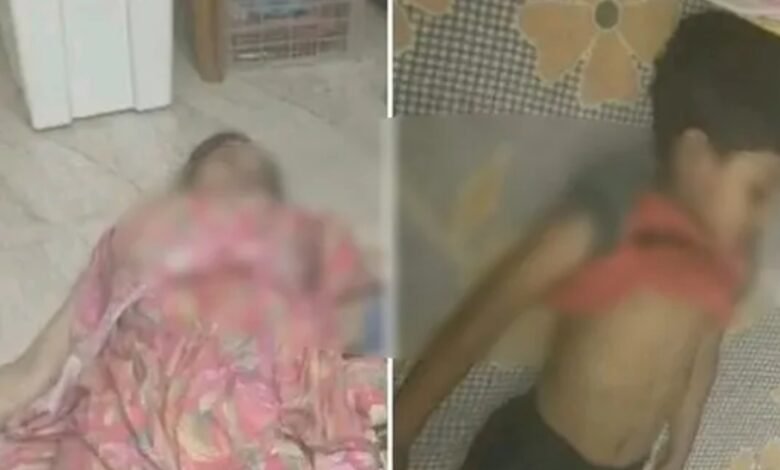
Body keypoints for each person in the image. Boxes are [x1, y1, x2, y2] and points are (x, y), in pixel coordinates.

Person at [394, 11, 780, 470]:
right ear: (695, 158)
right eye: (758, 191)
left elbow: (701, 346)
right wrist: (400, 431)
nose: (767, 215)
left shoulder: (728, 255)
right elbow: (482, 317)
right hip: (537, 456)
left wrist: (678, 449)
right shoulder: (608, 218)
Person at [0, 132, 386, 469]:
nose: (242, 166)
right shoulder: (135, 245)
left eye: (256, 169)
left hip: (242, 429)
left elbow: (347, 343)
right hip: (123, 424)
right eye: (225, 157)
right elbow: (35, 368)